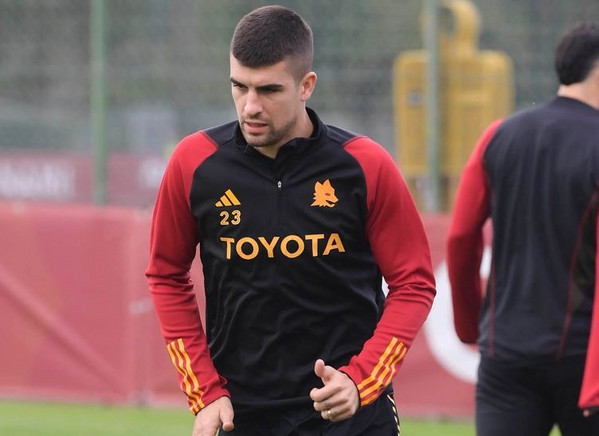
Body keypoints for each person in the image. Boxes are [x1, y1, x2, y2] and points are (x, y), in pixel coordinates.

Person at [145, 5, 435, 436]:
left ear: (306, 86)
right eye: (239, 87)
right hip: (241, 416)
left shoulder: (365, 165)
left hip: (351, 416)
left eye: (269, 90)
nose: (250, 106)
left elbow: (414, 284)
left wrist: (361, 380)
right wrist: (204, 392)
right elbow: (166, 275)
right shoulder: (194, 163)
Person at [446, 21, 599, 436]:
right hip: (584, 360)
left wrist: (468, 325)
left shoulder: (499, 135)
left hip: (506, 355)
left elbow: (460, 237)